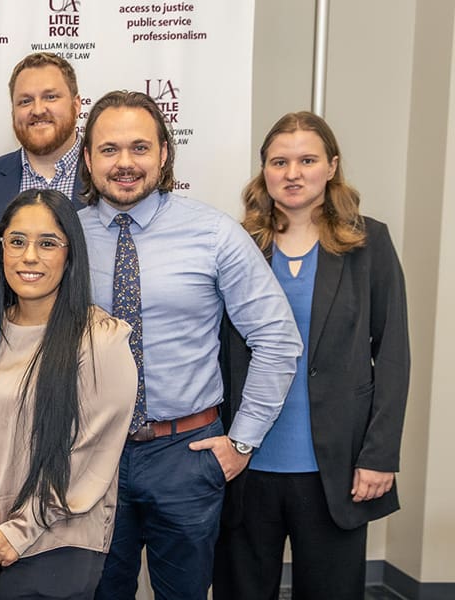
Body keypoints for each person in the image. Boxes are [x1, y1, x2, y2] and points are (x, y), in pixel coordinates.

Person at [75, 91, 303, 600]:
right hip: (91, 450)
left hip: (187, 453)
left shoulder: (214, 233)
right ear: (88, 159)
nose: (125, 163)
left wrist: (241, 442)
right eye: (109, 150)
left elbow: (277, 338)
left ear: (163, 155)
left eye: (139, 147)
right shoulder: (66, 237)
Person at [213, 112, 410, 600]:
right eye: (280, 161)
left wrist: (379, 455)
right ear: (264, 171)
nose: (293, 172)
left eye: (307, 160)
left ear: (332, 166)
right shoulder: (237, 245)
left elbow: (392, 356)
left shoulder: (369, 243)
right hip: (246, 462)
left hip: (337, 469)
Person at [0, 189, 138, 599]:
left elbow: (87, 460)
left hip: (60, 533)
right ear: (1, 248)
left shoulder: (101, 341)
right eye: (17, 241)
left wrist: (18, 532)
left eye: (47, 244)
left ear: (70, 254)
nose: (29, 257)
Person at [0, 52, 86, 226]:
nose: (38, 110)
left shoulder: (110, 177)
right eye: (25, 101)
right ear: (13, 112)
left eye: (51, 97)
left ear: (76, 105)